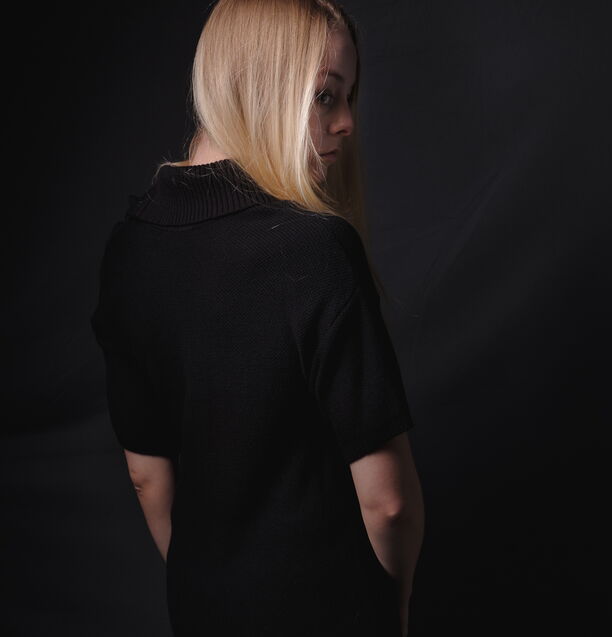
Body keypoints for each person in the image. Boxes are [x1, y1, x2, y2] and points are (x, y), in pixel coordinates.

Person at [90, 1, 424, 635]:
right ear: (258, 83)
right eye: (326, 95)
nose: (347, 121)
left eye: (349, 96)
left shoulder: (128, 249)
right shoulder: (315, 248)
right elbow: (388, 503)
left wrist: (210, 590)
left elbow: (146, 475)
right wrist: (393, 605)